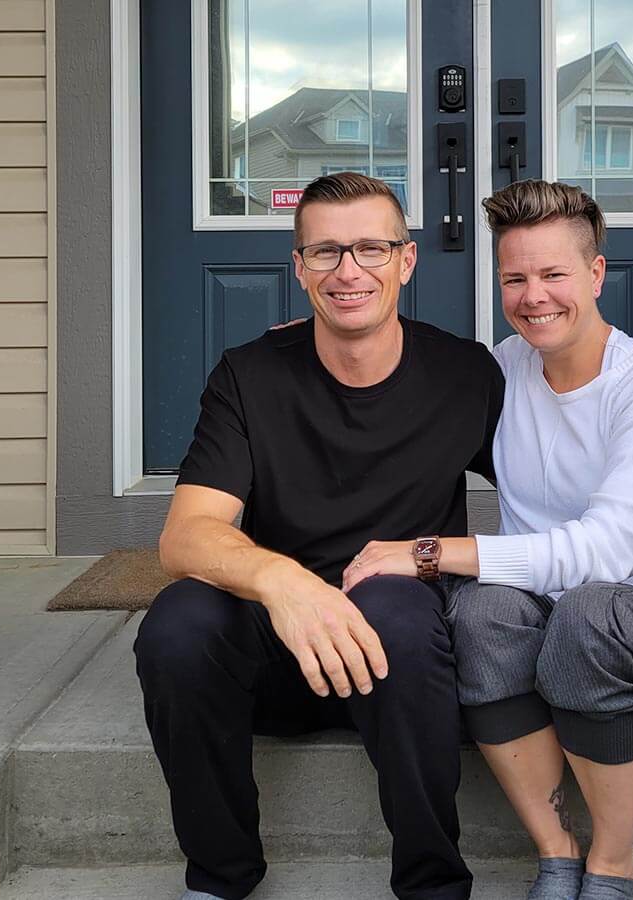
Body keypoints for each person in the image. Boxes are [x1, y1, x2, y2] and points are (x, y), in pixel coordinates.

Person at [343, 180, 633, 900]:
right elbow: (397, 384)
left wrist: (431, 552)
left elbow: (607, 554)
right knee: (481, 612)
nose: (535, 296)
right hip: (546, 634)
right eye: (515, 277)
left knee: (594, 609)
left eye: (554, 274)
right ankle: (556, 851)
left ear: (595, 274)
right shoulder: (501, 372)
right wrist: (307, 348)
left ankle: (612, 864)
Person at [133, 172, 503, 900]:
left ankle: (433, 885)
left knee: (398, 604)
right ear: (299, 268)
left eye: (371, 248)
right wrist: (284, 583)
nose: (350, 271)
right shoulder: (250, 375)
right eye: (327, 252)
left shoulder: (464, 374)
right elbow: (186, 536)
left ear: (406, 260)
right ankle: (218, 877)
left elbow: (558, 483)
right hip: (280, 646)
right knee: (178, 625)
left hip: (401, 660)